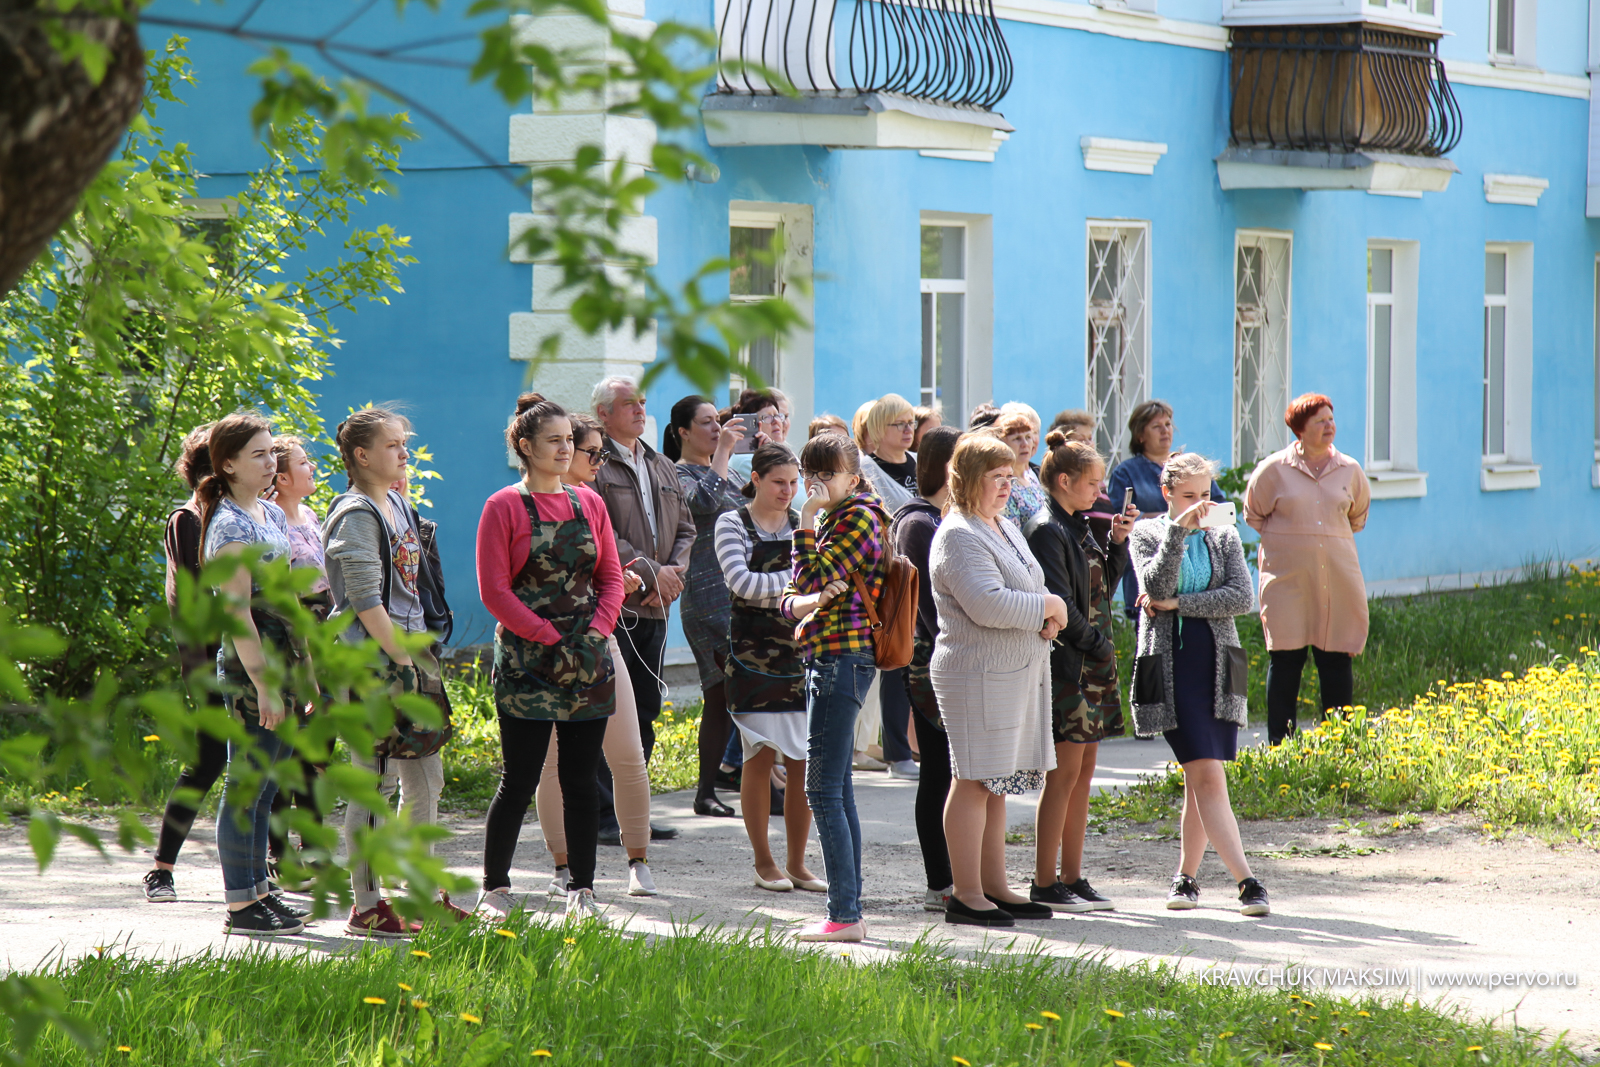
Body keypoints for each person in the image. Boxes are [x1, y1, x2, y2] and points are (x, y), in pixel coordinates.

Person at [477, 393, 626, 924]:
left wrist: (597, 632)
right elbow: (495, 591)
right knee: (518, 780)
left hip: (587, 659)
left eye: (569, 440)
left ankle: (581, 892)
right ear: (525, 446)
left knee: (582, 782)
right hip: (527, 663)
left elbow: (611, 577)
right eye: (554, 441)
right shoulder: (503, 507)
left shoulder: (590, 503)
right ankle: (495, 889)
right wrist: (546, 637)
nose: (566, 449)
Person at [324, 408, 464, 937]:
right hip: (374, 666)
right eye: (392, 445)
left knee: (427, 778)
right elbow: (364, 600)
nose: (404, 453)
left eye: (404, 443)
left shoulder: (397, 502)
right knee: (375, 782)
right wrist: (403, 665)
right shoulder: (356, 515)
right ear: (361, 456)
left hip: (411, 658)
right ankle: (366, 906)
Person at [929, 433, 1066, 928]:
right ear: (967, 478)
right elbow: (987, 604)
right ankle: (965, 895)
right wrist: (1049, 607)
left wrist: (1047, 615)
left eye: (1011, 476)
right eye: (996, 477)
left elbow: (1029, 585)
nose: (1008, 485)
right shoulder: (958, 533)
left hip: (1012, 671)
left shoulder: (1002, 524)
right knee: (973, 779)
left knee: (997, 782)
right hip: (976, 674)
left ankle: (995, 886)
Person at [1129, 453, 1268, 917]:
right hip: (1172, 665)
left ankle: (1186, 878)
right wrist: (1177, 532)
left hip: (1220, 663)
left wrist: (1179, 604)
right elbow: (1155, 585)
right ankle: (1247, 882)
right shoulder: (1148, 533)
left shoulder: (1223, 533)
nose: (1200, 504)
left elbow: (1241, 597)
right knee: (1206, 773)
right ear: (1166, 493)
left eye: (1205, 494)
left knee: (1199, 778)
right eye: (1189, 496)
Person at [534, 411, 659, 898]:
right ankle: (561, 868)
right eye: (591, 451)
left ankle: (638, 862)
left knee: (627, 754)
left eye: (592, 450)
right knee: (551, 765)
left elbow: (607, 574)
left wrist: (603, 619)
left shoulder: (591, 502)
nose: (596, 461)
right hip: (543, 649)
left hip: (598, 643)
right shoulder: (516, 505)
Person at [200, 411, 312, 937]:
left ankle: (261, 893)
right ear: (228, 464)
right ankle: (241, 906)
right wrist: (265, 685)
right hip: (251, 669)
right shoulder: (229, 525)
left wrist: (305, 666)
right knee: (247, 783)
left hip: (282, 659)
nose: (271, 463)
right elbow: (237, 612)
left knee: (267, 786)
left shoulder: (266, 513)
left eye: (272, 452)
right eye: (259, 455)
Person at [781, 433, 890, 942]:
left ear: (853, 476)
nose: (816, 484)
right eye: (811, 474)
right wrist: (805, 598)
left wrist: (804, 521)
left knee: (820, 789)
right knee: (837, 787)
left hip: (841, 657)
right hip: (827, 655)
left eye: (829, 474)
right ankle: (849, 910)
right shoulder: (836, 515)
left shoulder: (857, 517)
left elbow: (810, 578)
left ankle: (845, 915)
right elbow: (795, 595)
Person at [1023, 432, 1135, 913]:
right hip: (1070, 666)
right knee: (1064, 774)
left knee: (1084, 772)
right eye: (1092, 483)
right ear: (1064, 481)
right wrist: (1098, 644)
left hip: (1092, 662)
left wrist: (1118, 544)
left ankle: (1072, 875)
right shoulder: (1048, 528)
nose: (1100, 492)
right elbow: (1061, 603)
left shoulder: (1079, 523)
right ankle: (1044, 881)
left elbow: (1101, 586)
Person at [716, 443, 828, 893]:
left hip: (801, 656)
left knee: (803, 762)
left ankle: (797, 863)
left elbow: (818, 582)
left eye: (794, 482)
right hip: (751, 659)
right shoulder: (732, 522)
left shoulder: (805, 522)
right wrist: (799, 586)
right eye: (779, 482)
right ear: (756, 479)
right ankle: (764, 862)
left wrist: (801, 589)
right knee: (759, 758)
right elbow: (740, 583)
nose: (788, 490)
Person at [1244, 394, 1370, 745]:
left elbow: (1357, 517)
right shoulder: (1274, 470)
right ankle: (1281, 746)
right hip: (1287, 583)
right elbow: (1253, 513)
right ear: (1299, 429)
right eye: (1320, 421)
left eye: (1331, 419)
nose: (1329, 426)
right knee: (1286, 660)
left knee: (1336, 660)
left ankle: (1340, 744)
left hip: (1337, 581)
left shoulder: (1350, 470)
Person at [590, 376, 695, 777]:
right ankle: (603, 806)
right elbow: (600, 532)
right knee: (611, 709)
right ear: (603, 414)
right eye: (629, 403)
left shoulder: (661, 463)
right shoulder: (595, 465)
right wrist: (653, 573)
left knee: (646, 708)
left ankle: (634, 801)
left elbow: (686, 528)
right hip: (618, 607)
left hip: (657, 606)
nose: (640, 410)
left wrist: (671, 577)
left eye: (643, 402)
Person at [143, 424, 228, 903]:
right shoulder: (188, 519)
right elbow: (193, 597)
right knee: (209, 760)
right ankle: (161, 869)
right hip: (212, 662)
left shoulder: (241, 515)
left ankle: (267, 866)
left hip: (250, 658)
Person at [663, 394, 749, 817]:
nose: (718, 428)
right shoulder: (678, 474)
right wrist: (724, 453)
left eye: (719, 421)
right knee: (731, 691)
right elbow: (702, 504)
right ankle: (723, 787)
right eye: (707, 422)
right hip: (708, 598)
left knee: (725, 696)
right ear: (683, 432)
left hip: (739, 595)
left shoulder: (727, 470)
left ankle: (709, 791)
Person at [889, 425, 960, 913]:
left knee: (958, 773)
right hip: (930, 660)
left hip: (951, 658)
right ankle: (940, 881)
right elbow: (927, 607)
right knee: (937, 770)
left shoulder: (946, 517)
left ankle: (963, 874)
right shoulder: (917, 521)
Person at [265, 435, 328, 885]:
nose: (313, 468)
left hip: (324, 638)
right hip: (291, 640)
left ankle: (316, 851)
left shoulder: (311, 516)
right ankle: (280, 854)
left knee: (317, 750)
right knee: (287, 750)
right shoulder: (271, 522)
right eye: (304, 463)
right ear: (282, 478)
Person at [1108, 400, 1225, 617]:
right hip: (1152, 566)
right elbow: (1123, 523)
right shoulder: (1125, 473)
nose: (1165, 430)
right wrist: (1178, 519)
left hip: (1199, 573)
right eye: (1156, 426)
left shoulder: (1191, 467)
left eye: (1168, 424)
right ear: (1140, 435)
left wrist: (1199, 517)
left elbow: (1220, 510)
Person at [857, 394, 919, 778]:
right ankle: (897, 753)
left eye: (911, 422)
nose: (909, 429)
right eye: (899, 423)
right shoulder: (866, 469)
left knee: (920, 665)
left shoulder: (921, 463)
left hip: (928, 573)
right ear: (879, 429)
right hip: (890, 577)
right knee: (894, 664)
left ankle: (919, 747)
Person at [994, 409, 1046, 527]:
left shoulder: (1032, 478)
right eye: (1017, 439)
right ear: (1003, 444)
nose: (1025, 444)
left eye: (1028, 437)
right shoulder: (1004, 484)